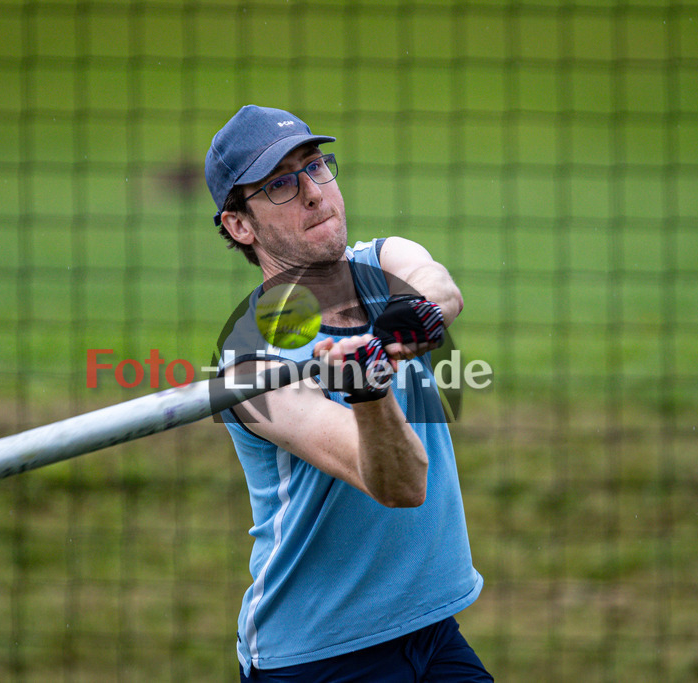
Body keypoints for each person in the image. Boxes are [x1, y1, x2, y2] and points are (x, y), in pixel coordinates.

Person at [205, 105, 491, 682]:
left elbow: (439, 287)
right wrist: (368, 392)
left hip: (430, 631)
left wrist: (398, 327)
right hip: (320, 656)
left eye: (316, 167)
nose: (312, 192)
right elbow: (401, 484)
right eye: (281, 184)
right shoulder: (247, 367)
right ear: (240, 225)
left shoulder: (382, 263)